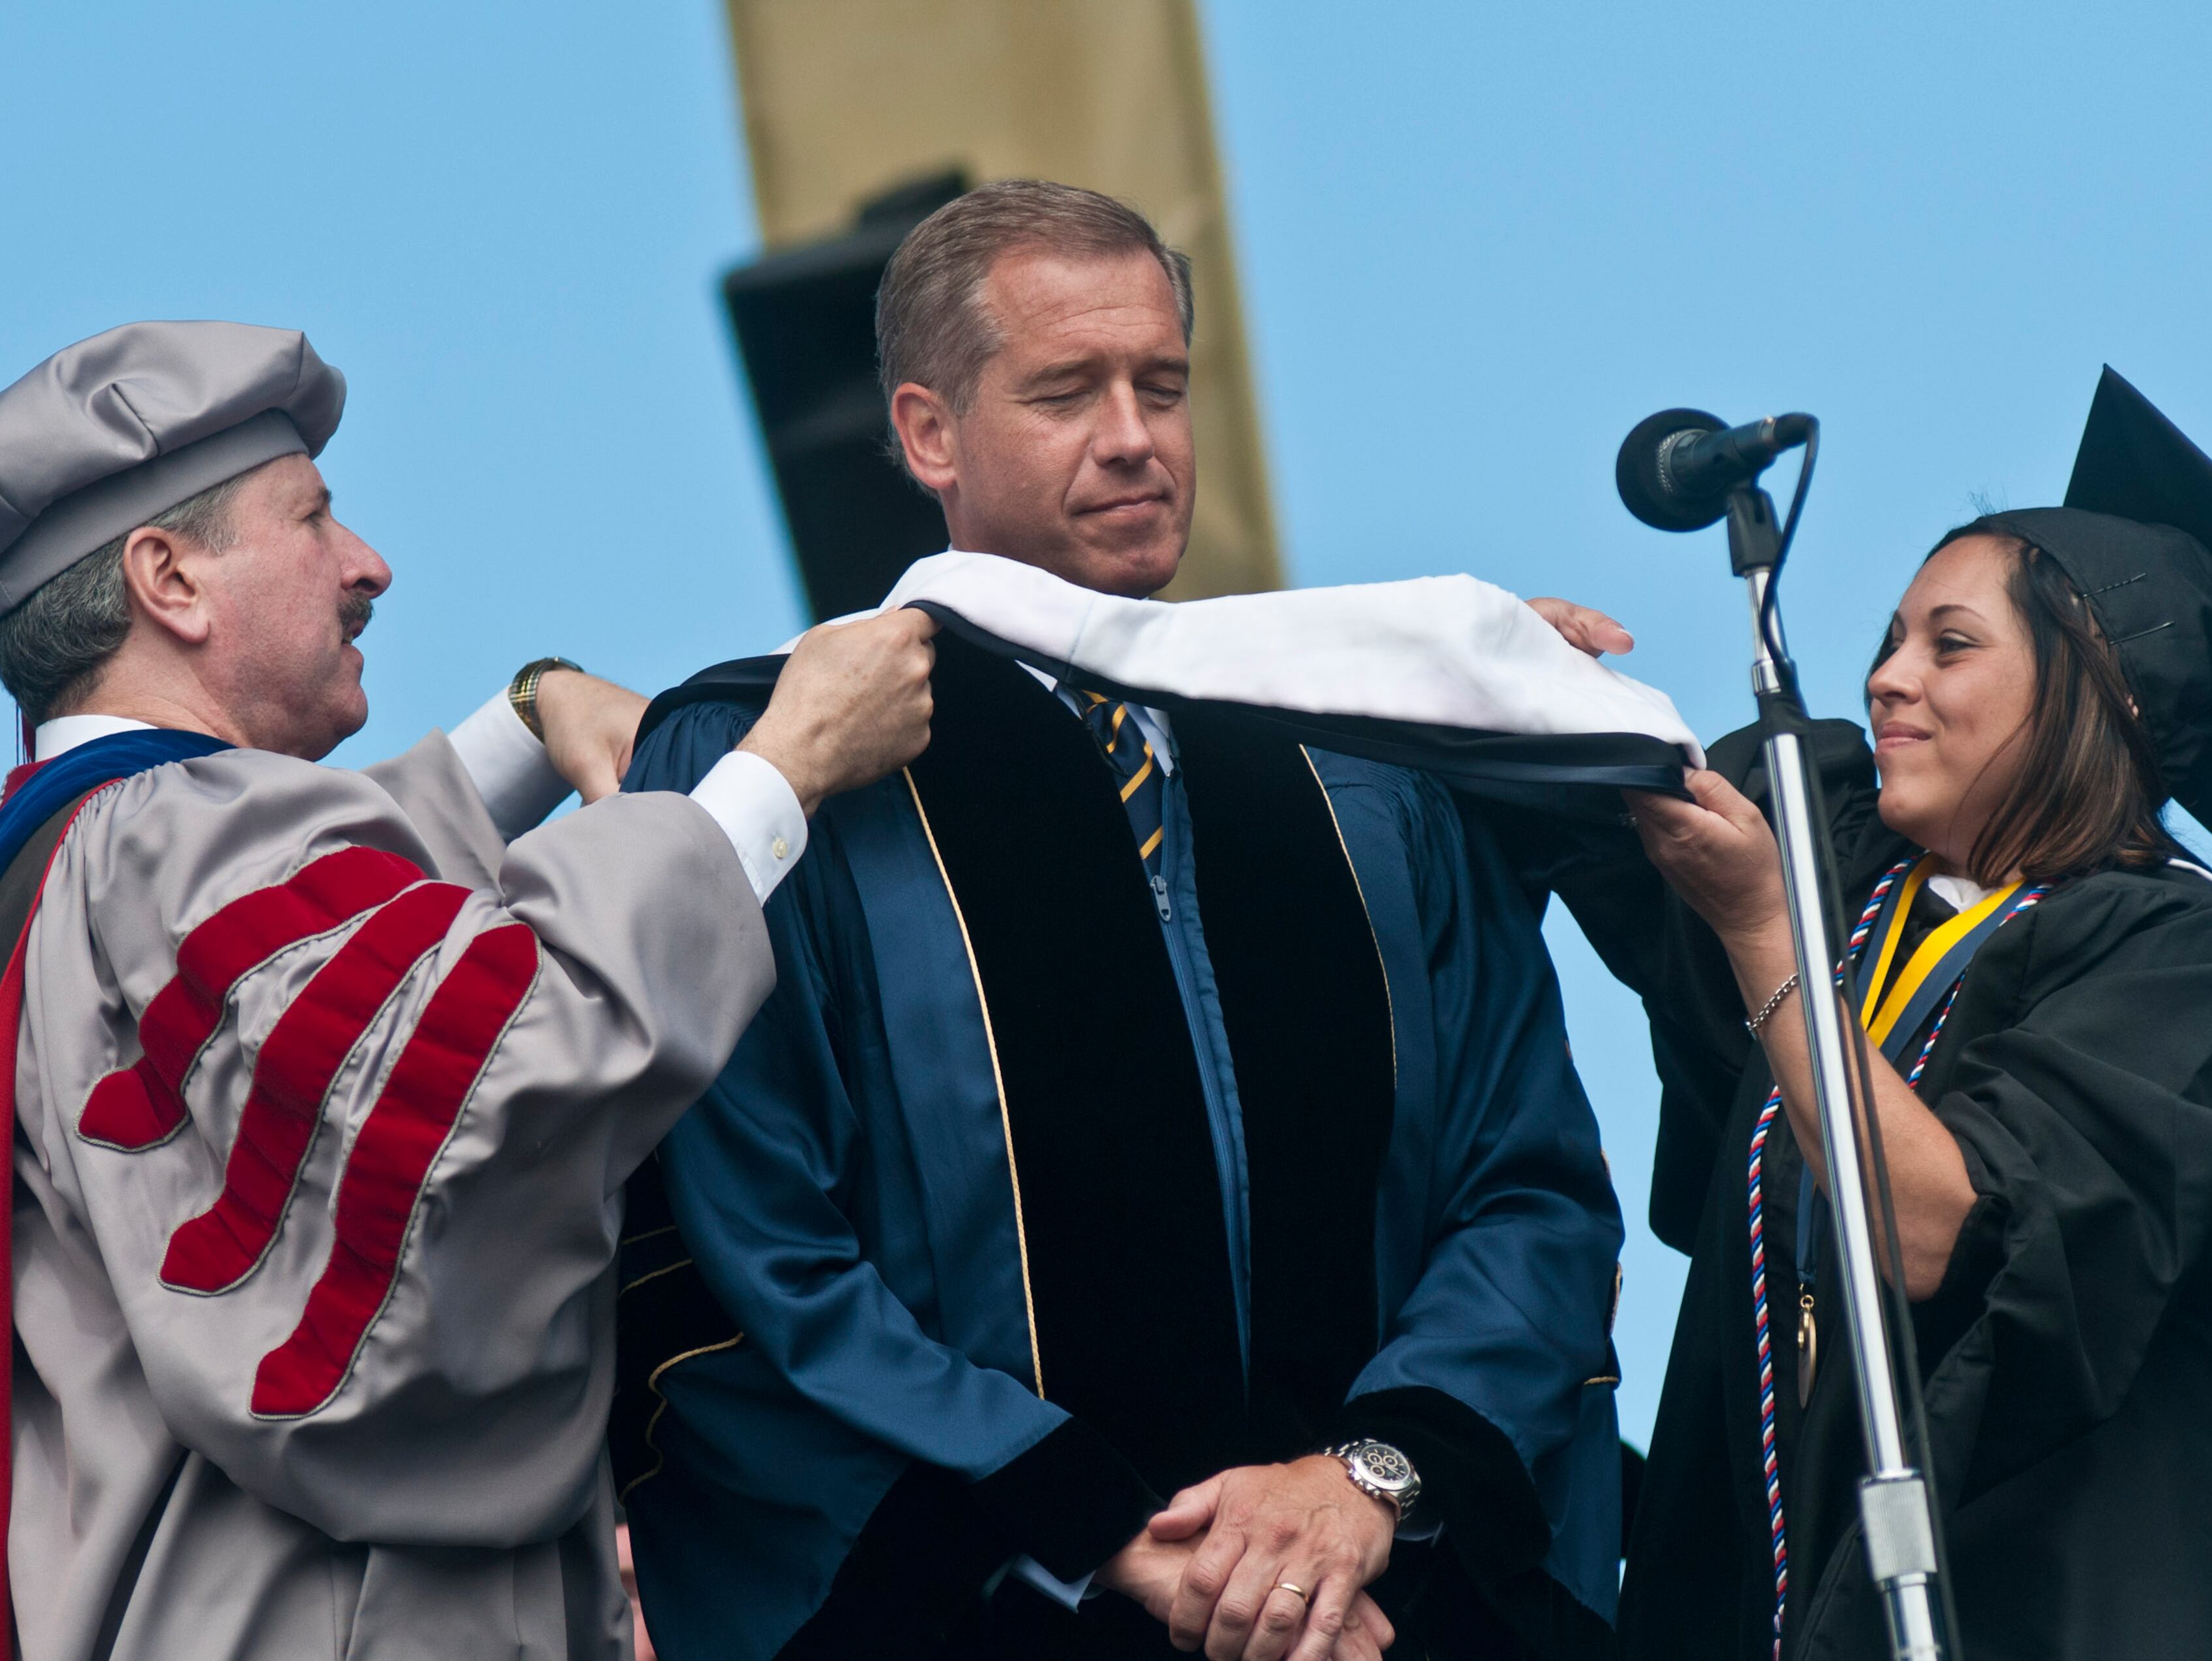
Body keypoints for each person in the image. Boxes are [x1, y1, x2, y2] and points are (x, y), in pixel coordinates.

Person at [615, 180, 1652, 1660]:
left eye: (1161, 386)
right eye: (1066, 392)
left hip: (1375, 1610)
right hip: (979, 1611)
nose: (1133, 436)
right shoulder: (787, 762)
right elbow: (751, 1245)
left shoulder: (1353, 754)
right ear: (927, 434)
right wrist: (1102, 1529)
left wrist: (1363, 1484)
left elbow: (1530, 1184)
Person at [0, 320, 938, 1661]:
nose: (368, 565)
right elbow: (486, 1083)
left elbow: (340, 959)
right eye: (314, 517)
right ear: (167, 579)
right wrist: (780, 769)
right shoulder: (166, 842)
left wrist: (531, 716)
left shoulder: (78, 871)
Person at [1551, 369, 2212, 1659]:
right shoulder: (1854, 890)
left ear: (2101, 688)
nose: (1885, 678)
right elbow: (1589, 817)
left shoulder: (2196, 965)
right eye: (1888, 637)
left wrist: (1764, 931)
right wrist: (1512, 683)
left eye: (1950, 644)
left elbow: (1946, 1229)